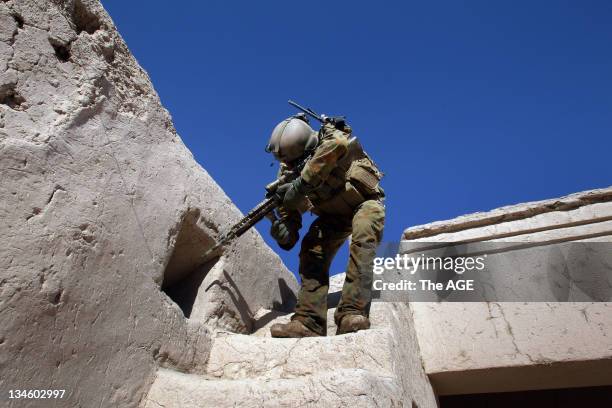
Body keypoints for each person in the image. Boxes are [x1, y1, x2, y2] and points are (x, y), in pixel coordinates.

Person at [265, 114, 385, 337]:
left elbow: (338, 144)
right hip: (332, 217)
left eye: (292, 160)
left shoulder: (328, 138)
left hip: (364, 202)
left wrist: (301, 185)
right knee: (312, 249)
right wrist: (282, 231)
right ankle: (308, 321)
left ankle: (351, 313)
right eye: (286, 162)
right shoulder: (287, 176)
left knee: (363, 239)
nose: (287, 166)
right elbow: (290, 234)